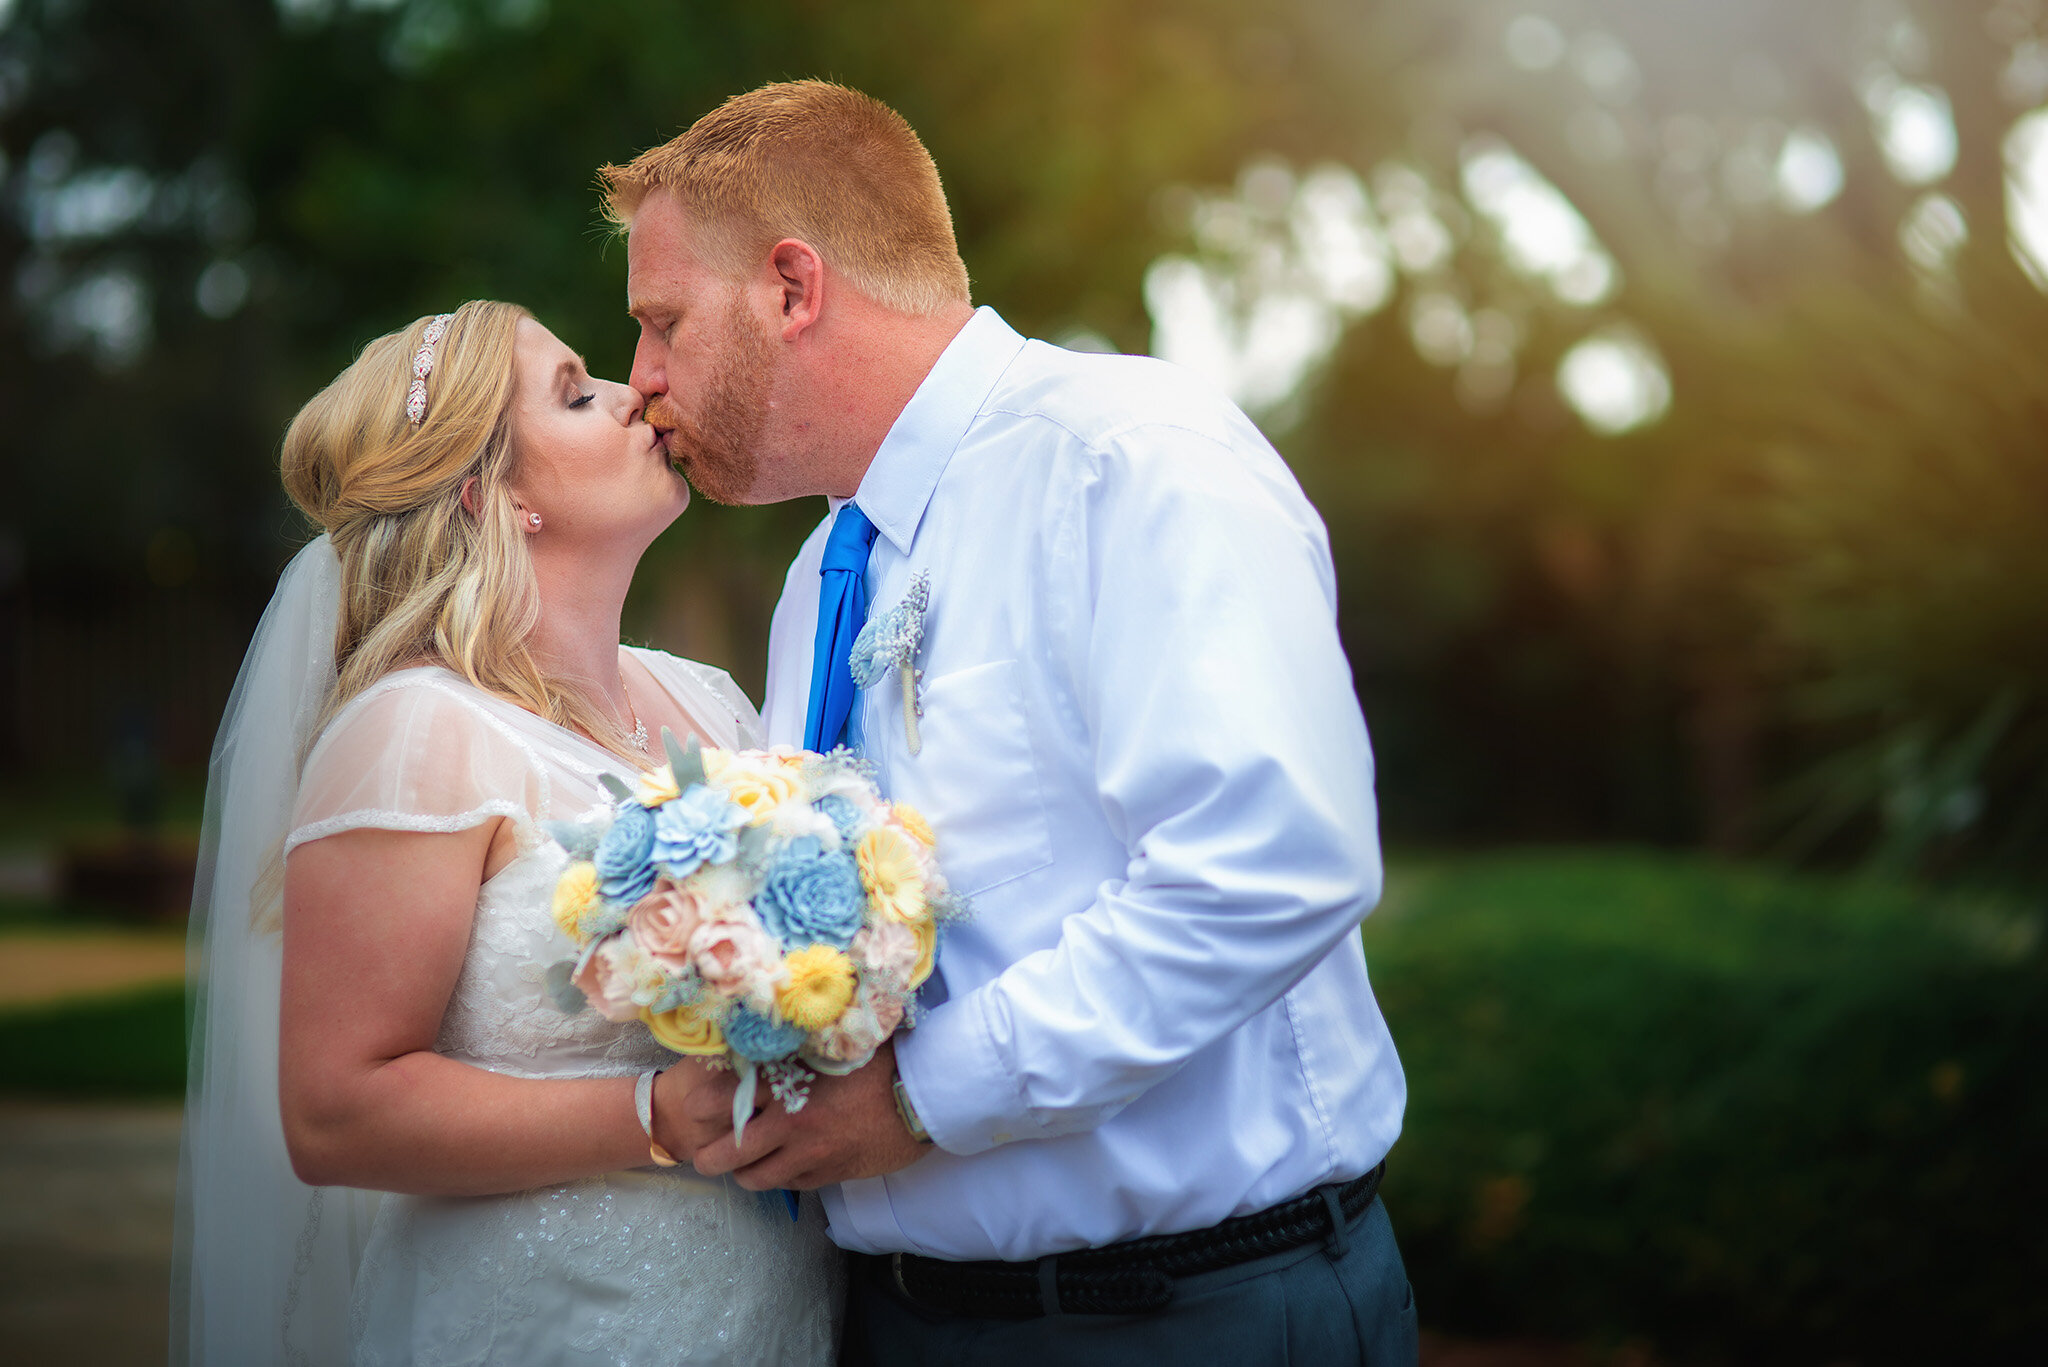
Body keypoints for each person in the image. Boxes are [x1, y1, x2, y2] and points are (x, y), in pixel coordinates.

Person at [608, 81, 1418, 1364]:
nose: (641, 378)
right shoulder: (825, 567)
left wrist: (926, 1097)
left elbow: (1272, 860)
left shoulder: (1129, 458)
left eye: (662, 321)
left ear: (790, 287)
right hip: (895, 1317)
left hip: (1179, 1317)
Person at [172, 300, 843, 1366]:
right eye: (577, 393)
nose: (636, 395)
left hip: (773, 1308)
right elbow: (335, 1111)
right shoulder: (414, 731)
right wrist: (654, 1114)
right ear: (499, 497)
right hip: (547, 1317)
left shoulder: (709, 702)